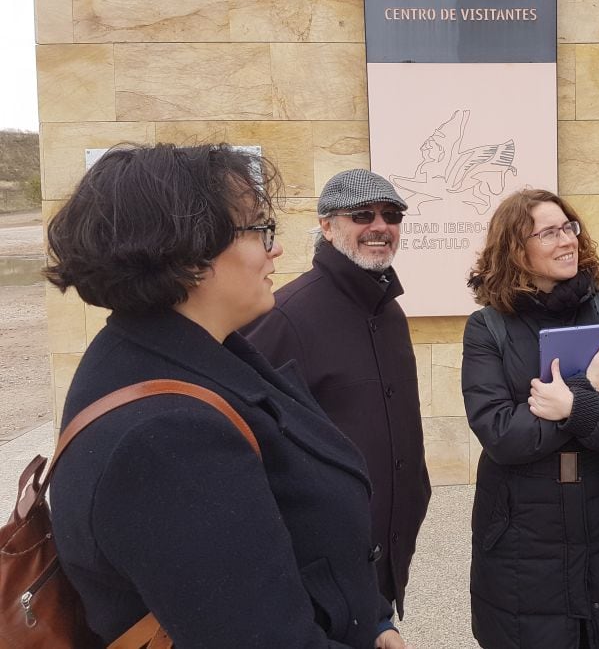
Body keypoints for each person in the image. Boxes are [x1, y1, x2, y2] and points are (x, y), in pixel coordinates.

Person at [45, 144, 406, 649]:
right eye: (261, 230)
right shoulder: (164, 437)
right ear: (189, 253)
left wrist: (372, 618)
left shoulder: (191, 352)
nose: (274, 250)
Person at [461, 189, 599, 649]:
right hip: (523, 541)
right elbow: (500, 435)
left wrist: (572, 405)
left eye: (568, 227)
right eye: (549, 232)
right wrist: (588, 388)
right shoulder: (487, 328)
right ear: (516, 249)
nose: (567, 240)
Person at [244, 168, 431, 619]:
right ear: (326, 227)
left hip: (381, 563)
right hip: (321, 581)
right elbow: (250, 448)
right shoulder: (285, 317)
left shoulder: (390, 314)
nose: (380, 226)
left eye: (392, 215)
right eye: (362, 214)